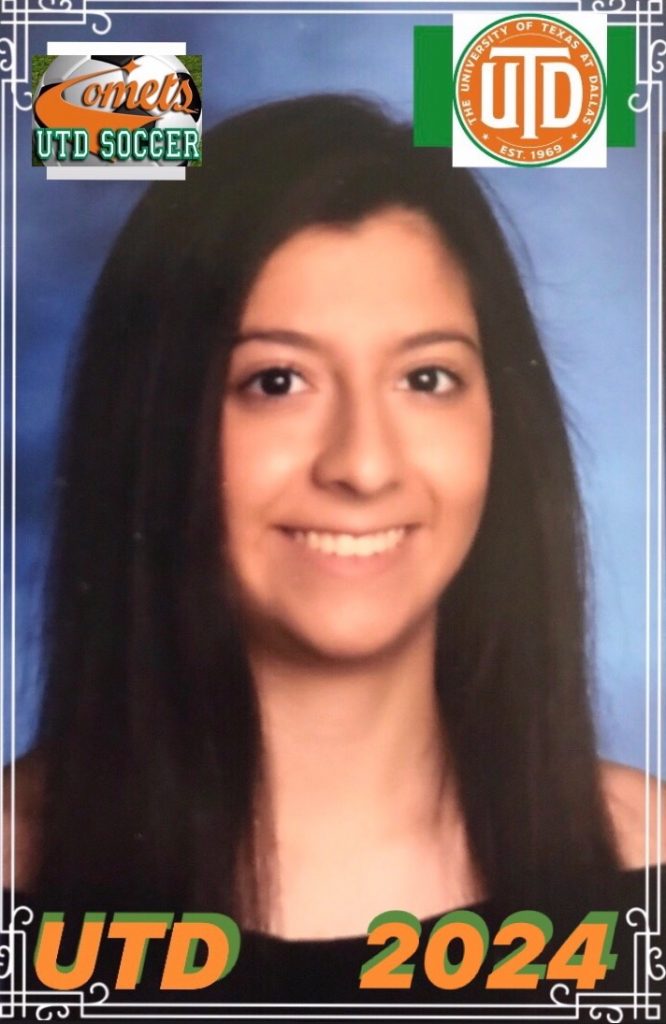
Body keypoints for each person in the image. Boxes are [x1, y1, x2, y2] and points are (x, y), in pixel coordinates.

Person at [3, 94, 663, 1007]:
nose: (362, 464)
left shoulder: (645, 861)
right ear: (156, 424)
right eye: (277, 381)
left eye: (426, 378)